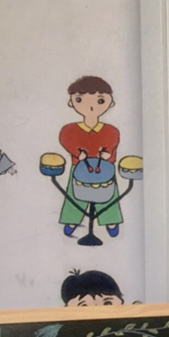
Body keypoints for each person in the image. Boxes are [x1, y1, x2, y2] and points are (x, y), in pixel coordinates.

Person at [59, 76, 124, 238]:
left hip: (104, 168)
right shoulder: (70, 130)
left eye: (100, 100)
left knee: (109, 194)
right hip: (80, 167)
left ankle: (111, 220)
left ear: (111, 102)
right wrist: (77, 153)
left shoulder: (111, 131)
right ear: (71, 102)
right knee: (75, 194)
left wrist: (108, 155)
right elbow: (66, 140)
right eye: (80, 100)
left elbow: (112, 145)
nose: (91, 106)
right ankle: (72, 219)